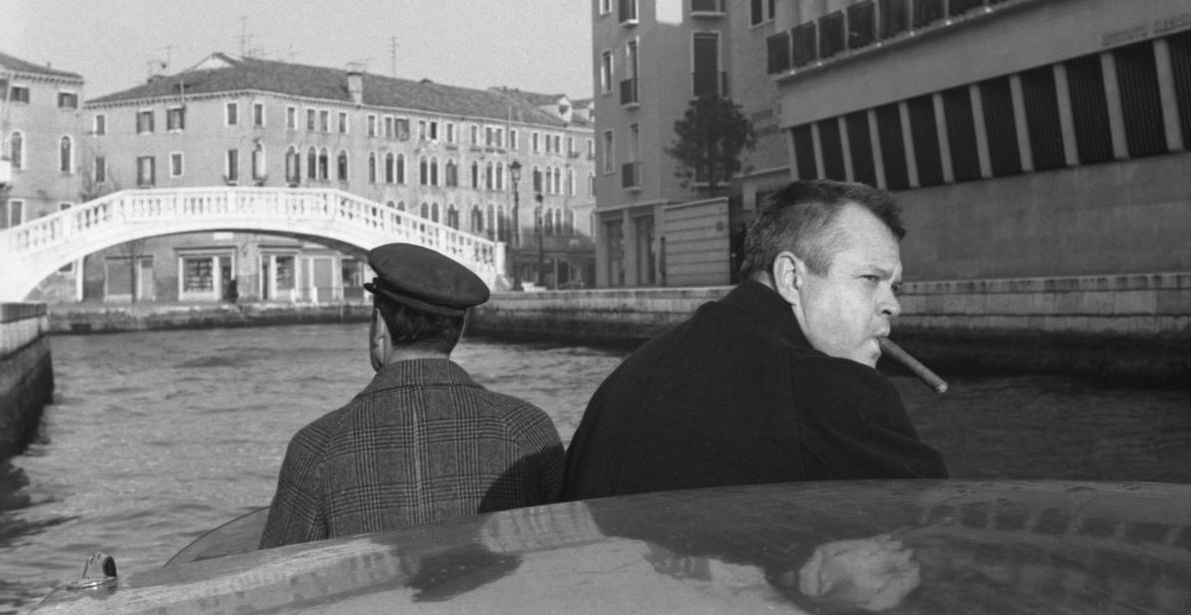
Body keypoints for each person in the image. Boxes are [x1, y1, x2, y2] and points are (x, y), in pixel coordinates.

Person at [562, 179, 947, 501]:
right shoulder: (830, 392)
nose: (892, 305)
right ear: (792, 278)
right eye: (870, 279)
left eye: (894, 286)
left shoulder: (632, 374)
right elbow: (922, 530)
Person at [261, 243, 564, 548]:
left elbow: (279, 576)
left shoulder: (316, 447)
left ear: (379, 326)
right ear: (458, 329)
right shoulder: (529, 429)